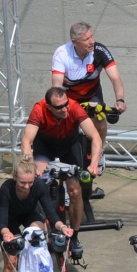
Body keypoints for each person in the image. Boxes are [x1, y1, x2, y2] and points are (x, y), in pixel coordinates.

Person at [20, 87, 103, 260]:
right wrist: (30, 165)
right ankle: (40, 232)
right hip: (45, 146)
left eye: (66, 104)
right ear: (49, 107)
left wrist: (94, 164)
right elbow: (27, 141)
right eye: (59, 107)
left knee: (75, 190)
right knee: (38, 183)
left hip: (69, 146)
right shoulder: (39, 109)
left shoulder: (73, 107)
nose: (65, 109)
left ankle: (75, 237)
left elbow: (95, 137)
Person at [51, 21, 126, 185]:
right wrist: (61, 107)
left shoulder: (99, 50)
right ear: (74, 42)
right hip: (69, 97)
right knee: (61, 124)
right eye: (86, 39)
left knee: (99, 120)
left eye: (92, 36)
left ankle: (99, 153)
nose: (92, 41)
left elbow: (115, 77)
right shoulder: (61, 54)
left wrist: (120, 99)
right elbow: (57, 85)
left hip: (92, 95)